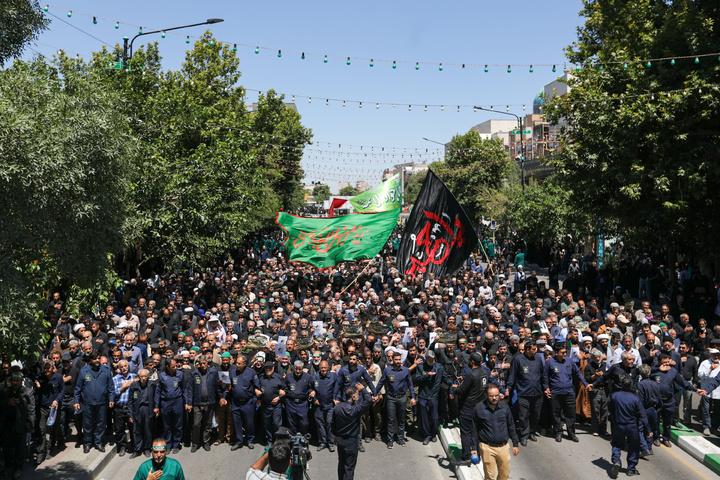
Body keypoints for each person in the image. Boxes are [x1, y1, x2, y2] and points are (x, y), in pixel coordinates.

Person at [472, 384, 519, 480]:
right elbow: (474, 429)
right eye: (491, 396)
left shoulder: (504, 407)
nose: (494, 398)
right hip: (487, 447)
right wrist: (474, 448)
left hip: (503, 447)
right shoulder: (479, 408)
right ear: (486, 395)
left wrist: (515, 443)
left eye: (496, 395)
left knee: (505, 474)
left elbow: (511, 425)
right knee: (489, 476)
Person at [544, 343, 588, 442]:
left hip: (569, 392)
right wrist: (546, 388)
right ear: (556, 353)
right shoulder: (550, 362)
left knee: (570, 414)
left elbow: (578, 373)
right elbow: (545, 377)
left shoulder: (569, 361)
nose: (565, 354)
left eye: (565, 352)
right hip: (555, 392)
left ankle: (571, 433)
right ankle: (558, 432)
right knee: (556, 414)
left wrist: (585, 384)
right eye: (562, 353)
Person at [74, 350, 115, 453]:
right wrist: (76, 401)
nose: (97, 360)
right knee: (87, 424)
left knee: (101, 424)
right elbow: (78, 388)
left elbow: (111, 387)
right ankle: (87, 443)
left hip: (102, 403)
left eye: (98, 358)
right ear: (90, 360)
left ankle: (99, 443)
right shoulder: (84, 371)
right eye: (94, 358)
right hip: (87, 403)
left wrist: (111, 399)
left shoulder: (106, 370)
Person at [609, 377, 650, 478]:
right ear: (631, 386)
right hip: (632, 427)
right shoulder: (635, 399)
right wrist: (648, 430)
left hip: (619, 425)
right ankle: (631, 468)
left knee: (617, 444)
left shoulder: (614, 396)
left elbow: (610, 408)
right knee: (634, 446)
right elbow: (642, 415)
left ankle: (616, 460)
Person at [456, 352, 492, 464]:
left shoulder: (471, 375)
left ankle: (466, 456)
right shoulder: (484, 373)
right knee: (476, 431)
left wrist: (455, 388)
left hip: (469, 407)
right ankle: (477, 454)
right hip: (481, 406)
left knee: (466, 431)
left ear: (472, 361)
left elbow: (461, 391)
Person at [506, 339, 544, 445]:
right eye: (533, 349)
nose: (535, 351)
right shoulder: (518, 359)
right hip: (523, 393)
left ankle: (532, 431)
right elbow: (512, 375)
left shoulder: (538, 359)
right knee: (523, 416)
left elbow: (543, 375)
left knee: (535, 415)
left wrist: (545, 387)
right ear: (527, 350)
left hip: (537, 393)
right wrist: (508, 388)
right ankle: (524, 435)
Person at [0, 367, 35, 479]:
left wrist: (30, 425)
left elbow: (31, 409)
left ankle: (18, 468)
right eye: (13, 380)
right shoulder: (5, 391)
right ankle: (8, 466)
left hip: (20, 425)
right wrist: (8, 403)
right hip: (7, 424)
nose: (15, 382)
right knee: (7, 447)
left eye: (17, 381)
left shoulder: (27, 392)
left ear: (21, 381)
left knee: (20, 448)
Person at [332, 383, 373, 480]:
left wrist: (335, 436)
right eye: (357, 395)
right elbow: (369, 400)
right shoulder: (357, 408)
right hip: (352, 441)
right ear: (353, 397)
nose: (358, 397)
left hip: (341, 440)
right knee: (349, 468)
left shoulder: (337, 407)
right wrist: (363, 389)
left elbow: (333, 423)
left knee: (341, 464)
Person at [376, 351, 415, 448]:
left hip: (402, 398)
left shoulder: (405, 371)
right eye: (396, 359)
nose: (398, 361)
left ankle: (400, 438)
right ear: (392, 360)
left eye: (399, 359)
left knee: (402, 419)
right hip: (391, 399)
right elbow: (381, 383)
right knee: (391, 420)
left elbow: (410, 384)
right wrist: (375, 392)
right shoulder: (387, 371)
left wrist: (413, 397)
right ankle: (390, 439)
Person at [415, 349, 453, 444]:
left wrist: (452, 384)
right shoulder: (421, 367)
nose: (431, 360)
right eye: (429, 359)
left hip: (434, 395)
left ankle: (433, 433)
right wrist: (427, 375)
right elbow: (418, 379)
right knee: (423, 416)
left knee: (434, 416)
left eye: (432, 359)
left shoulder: (439, 367)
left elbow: (445, 378)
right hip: (423, 394)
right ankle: (426, 435)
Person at [185, 356, 221, 452]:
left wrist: (221, 397)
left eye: (204, 363)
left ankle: (206, 442)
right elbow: (190, 389)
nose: (202, 365)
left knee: (207, 424)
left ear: (207, 363)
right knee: (196, 424)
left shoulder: (213, 372)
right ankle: (195, 443)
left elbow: (217, 387)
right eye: (200, 363)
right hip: (197, 403)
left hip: (209, 402)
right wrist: (189, 403)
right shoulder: (194, 373)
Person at [227, 355, 259, 450]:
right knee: (237, 423)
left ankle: (250, 440)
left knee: (249, 423)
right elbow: (229, 386)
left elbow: (256, 386)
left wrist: (255, 397)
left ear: (245, 364)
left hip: (247, 403)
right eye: (236, 363)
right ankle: (239, 441)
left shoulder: (251, 373)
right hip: (236, 403)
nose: (237, 365)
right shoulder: (232, 373)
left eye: (239, 363)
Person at [35, 360, 64, 464]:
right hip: (43, 407)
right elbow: (36, 392)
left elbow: (62, 391)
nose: (46, 370)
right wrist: (38, 387)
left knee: (53, 429)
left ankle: (50, 450)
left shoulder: (58, 378)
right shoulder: (40, 377)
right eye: (45, 368)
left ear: (53, 368)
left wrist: (57, 401)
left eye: (48, 368)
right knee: (41, 429)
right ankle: (40, 452)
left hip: (54, 408)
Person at [154, 359, 185, 454]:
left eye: (176, 366)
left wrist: (187, 402)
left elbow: (184, 389)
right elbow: (158, 391)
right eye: (173, 366)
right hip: (165, 403)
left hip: (177, 402)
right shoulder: (162, 376)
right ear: (167, 366)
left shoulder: (180, 374)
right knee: (166, 425)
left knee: (177, 425)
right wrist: (156, 406)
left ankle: (176, 444)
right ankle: (168, 444)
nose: (175, 368)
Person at [254, 361, 286, 445]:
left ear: (273, 368)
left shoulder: (278, 377)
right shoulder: (261, 377)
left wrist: (279, 397)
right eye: (266, 368)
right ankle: (269, 441)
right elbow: (256, 387)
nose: (268, 369)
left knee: (276, 424)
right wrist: (257, 392)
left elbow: (285, 389)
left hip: (276, 406)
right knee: (266, 424)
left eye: (270, 368)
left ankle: (277, 441)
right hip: (265, 405)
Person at [128, 369, 156, 458]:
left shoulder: (152, 385)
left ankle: (147, 448)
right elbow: (130, 401)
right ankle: (137, 449)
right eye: (141, 376)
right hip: (138, 409)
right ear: (139, 377)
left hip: (148, 409)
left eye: (145, 376)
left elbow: (156, 398)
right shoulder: (134, 386)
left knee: (147, 430)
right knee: (137, 430)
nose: (143, 378)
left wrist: (156, 408)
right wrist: (130, 414)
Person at [112, 359, 137, 456]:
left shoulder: (135, 377)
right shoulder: (115, 379)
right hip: (119, 408)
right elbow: (113, 393)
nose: (124, 368)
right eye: (121, 367)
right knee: (119, 429)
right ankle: (122, 447)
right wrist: (124, 387)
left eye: (125, 366)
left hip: (131, 408)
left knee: (133, 428)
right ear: (119, 368)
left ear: (128, 366)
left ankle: (134, 446)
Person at [283, 360, 315, 436]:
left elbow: (311, 387)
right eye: (296, 369)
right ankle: (293, 439)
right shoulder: (288, 376)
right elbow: (285, 387)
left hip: (302, 403)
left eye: (300, 369)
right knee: (291, 422)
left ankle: (303, 438)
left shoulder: (307, 377)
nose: (298, 371)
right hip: (291, 402)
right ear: (294, 368)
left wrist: (312, 391)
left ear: (302, 368)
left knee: (304, 422)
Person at [312, 360, 337, 452]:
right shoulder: (315, 377)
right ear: (319, 368)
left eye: (325, 367)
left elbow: (337, 388)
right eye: (321, 367)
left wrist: (336, 398)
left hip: (330, 404)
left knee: (329, 423)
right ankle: (322, 442)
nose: (323, 369)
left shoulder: (333, 377)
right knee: (320, 424)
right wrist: (314, 399)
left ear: (328, 368)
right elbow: (310, 389)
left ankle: (331, 443)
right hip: (319, 405)